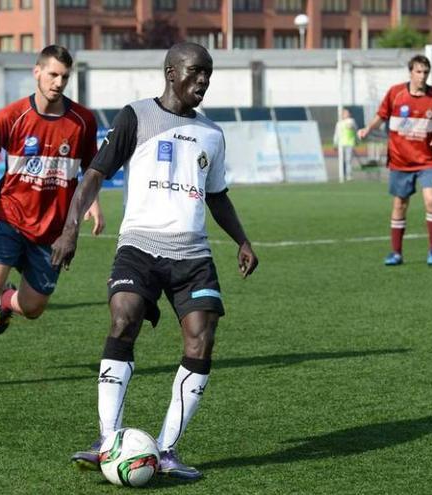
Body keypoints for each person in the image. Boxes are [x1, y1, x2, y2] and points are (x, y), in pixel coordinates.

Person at [51, 42, 259, 481]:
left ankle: (166, 450)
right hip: (140, 246)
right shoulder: (136, 116)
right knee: (123, 317)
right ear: (170, 72)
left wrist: (241, 239)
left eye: (208, 74)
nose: (203, 81)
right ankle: (107, 440)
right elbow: (95, 173)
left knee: (201, 338)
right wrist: (70, 228)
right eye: (195, 72)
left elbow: (217, 195)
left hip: (193, 252)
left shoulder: (213, 135)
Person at [0, 45, 104, 392]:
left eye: (65, 76)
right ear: (36, 72)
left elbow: (91, 169)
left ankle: (7, 303)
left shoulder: (83, 120)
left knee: (34, 308)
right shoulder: (13, 116)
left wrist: (92, 204)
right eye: (52, 74)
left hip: (52, 230)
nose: (58, 82)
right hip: (8, 217)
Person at [357, 54, 432, 267]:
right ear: (410, 72)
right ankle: (396, 253)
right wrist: (368, 129)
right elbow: (381, 115)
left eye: (426, 72)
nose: (422, 76)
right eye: (418, 72)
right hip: (401, 160)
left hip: (428, 159)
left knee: (431, 200)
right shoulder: (395, 93)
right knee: (400, 204)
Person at [333, 107, 358, 181]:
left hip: (349, 143)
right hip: (341, 144)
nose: (344, 114)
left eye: (346, 113)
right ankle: (342, 175)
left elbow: (353, 128)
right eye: (343, 113)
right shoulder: (339, 123)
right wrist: (335, 143)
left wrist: (356, 140)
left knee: (348, 160)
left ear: (349, 114)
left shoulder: (351, 121)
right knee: (341, 160)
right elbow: (336, 134)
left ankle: (349, 175)